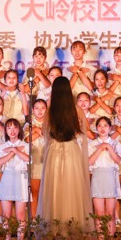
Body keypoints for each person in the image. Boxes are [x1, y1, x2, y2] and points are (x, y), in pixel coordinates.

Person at [38, 75, 92, 223]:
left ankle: (54, 224)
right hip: (71, 150)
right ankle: (73, 225)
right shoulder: (77, 110)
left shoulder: (50, 111)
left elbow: (45, 133)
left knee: (54, 187)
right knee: (72, 187)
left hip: (54, 150)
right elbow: (83, 131)